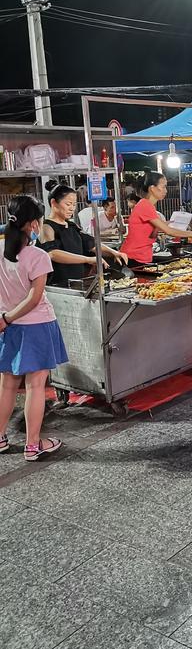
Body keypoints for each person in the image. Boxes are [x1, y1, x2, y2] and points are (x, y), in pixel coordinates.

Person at [0, 195, 67, 462]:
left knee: (7, 385)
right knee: (36, 385)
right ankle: (32, 445)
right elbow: (34, 298)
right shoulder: (37, 256)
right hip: (35, 325)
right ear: (33, 224)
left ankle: (1, 437)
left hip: (8, 326)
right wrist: (7, 319)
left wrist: (4, 319)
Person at [40, 183, 127, 287]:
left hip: (77, 283)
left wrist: (113, 252)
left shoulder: (72, 226)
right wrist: (87, 259)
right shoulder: (47, 227)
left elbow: (91, 243)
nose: (72, 208)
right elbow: (53, 253)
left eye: (74, 204)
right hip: (58, 284)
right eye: (68, 204)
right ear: (54, 203)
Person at [120, 170, 192, 265]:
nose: (166, 190)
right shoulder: (145, 205)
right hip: (133, 257)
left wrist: (161, 226)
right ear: (152, 188)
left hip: (142, 256)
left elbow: (150, 235)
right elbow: (169, 231)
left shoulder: (148, 205)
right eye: (163, 187)